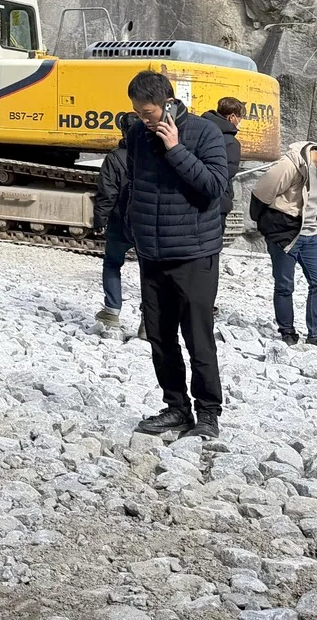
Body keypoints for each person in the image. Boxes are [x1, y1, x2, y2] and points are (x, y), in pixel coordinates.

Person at [123, 71, 228, 440]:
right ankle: (176, 408)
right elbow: (134, 184)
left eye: (148, 112)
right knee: (160, 337)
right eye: (137, 113)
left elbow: (215, 187)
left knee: (198, 338)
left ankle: (208, 415)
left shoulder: (205, 133)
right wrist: (125, 230)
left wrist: (176, 149)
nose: (143, 119)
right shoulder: (137, 134)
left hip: (194, 255)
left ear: (168, 103)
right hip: (151, 254)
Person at [251, 136, 317, 357]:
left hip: (311, 234)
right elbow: (260, 193)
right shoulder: (292, 165)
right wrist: (269, 228)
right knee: (284, 285)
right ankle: (287, 331)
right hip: (285, 232)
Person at [92, 127, 133, 326]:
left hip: (119, 222)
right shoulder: (154, 154)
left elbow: (107, 193)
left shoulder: (115, 157)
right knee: (150, 271)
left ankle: (112, 311)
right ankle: (148, 320)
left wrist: (100, 220)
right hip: (145, 223)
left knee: (112, 264)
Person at [203, 97, 244, 220]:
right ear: (232, 117)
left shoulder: (201, 129)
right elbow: (227, 173)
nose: (240, 121)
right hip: (216, 202)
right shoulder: (231, 142)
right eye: (240, 118)